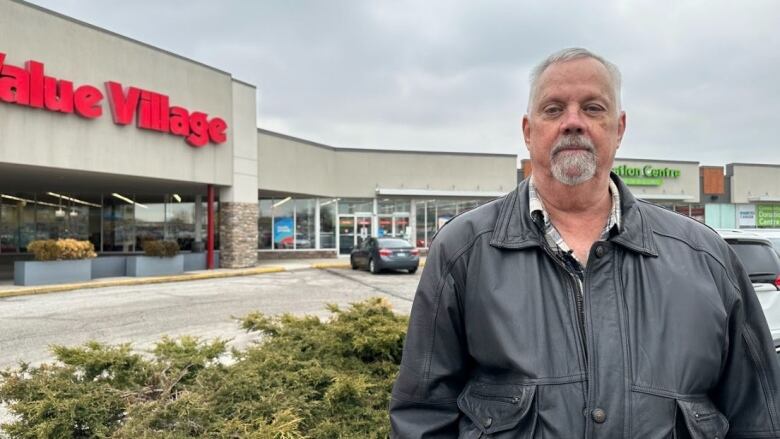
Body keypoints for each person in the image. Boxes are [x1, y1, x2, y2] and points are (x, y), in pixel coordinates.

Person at [389, 48, 780, 438]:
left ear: (619, 128)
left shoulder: (707, 259)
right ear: (528, 131)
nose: (573, 122)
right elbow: (423, 417)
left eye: (593, 108)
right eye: (554, 109)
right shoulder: (463, 251)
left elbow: (759, 418)